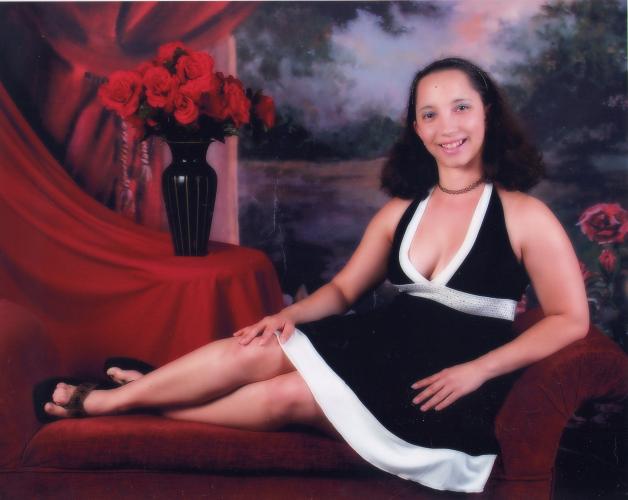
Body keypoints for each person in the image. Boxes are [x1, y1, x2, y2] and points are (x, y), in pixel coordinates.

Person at [35, 57, 589, 493]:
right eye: (429, 114)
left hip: (445, 386)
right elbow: (345, 289)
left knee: (288, 395)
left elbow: (570, 319)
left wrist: (477, 371)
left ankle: (127, 396)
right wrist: (286, 316)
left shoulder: (525, 215)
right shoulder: (400, 212)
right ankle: (121, 399)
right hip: (384, 349)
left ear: (488, 112)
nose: (447, 127)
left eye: (461, 107)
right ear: (416, 128)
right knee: (262, 346)